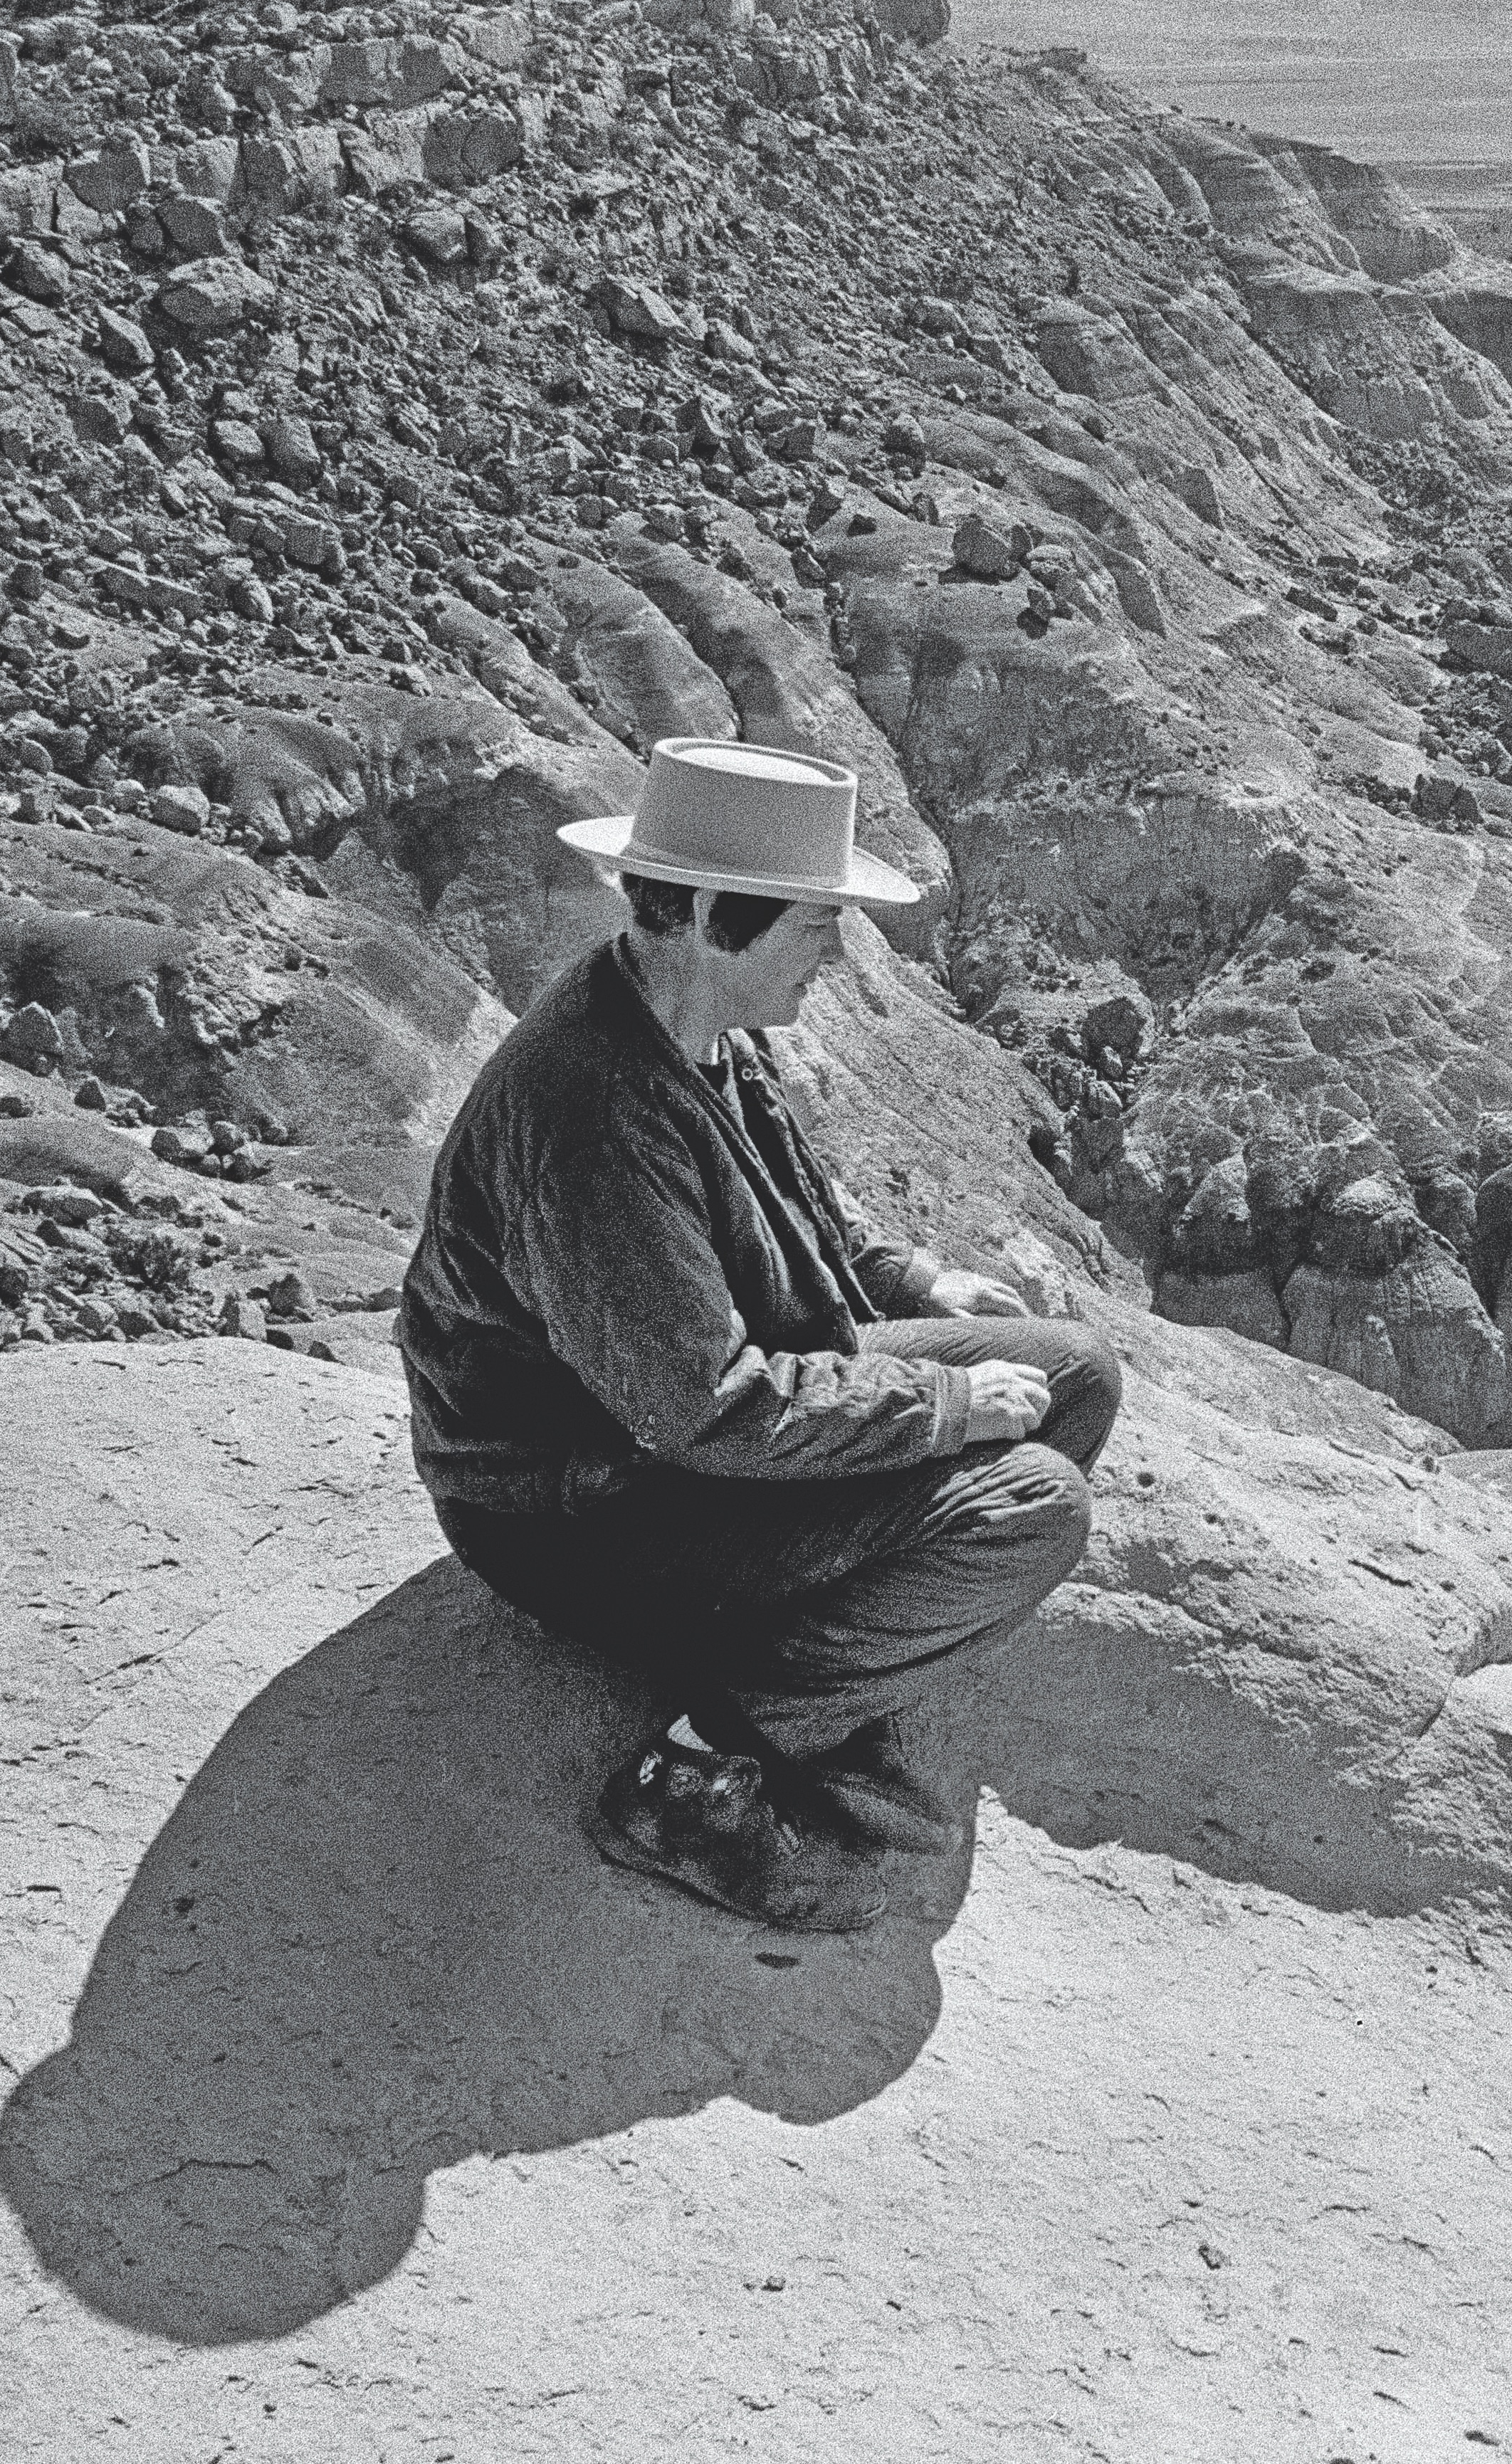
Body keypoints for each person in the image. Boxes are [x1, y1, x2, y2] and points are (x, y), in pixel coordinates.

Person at [397, 737, 1121, 1932]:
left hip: (665, 1436)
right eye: (813, 923)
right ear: (708, 917)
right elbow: (708, 1408)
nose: (840, 950)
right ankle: (695, 1775)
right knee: (1029, 1504)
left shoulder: (690, 1021)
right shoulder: (595, 1125)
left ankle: (827, 1662)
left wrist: (916, 1280)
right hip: (582, 1507)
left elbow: (792, 1217)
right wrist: (942, 1409)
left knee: (1073, 1376)